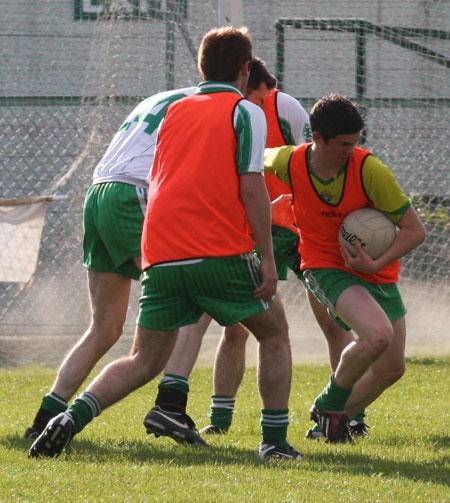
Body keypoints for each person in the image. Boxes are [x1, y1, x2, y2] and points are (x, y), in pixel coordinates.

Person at [29, 26, 302, 461]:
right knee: (274, 333)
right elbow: (251, 186)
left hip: (161, 251)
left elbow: (162, 180)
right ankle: (274, 442)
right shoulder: (244, 110)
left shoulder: (176, 109)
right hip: (217, 250)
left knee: (142, 358)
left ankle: (68, 417)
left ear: (200, 68)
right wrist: (267, 259)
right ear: (246, 68)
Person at [147, 66, 367, 442]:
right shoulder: (217, 110)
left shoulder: (286, 109)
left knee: (334, 321)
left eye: (261, 98)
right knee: (234, 327)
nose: (256, 104)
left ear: (268, 90)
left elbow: (318, 161)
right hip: (247, 228)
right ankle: (219, 417)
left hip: (298, 227)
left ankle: (348, 415)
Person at [24, 84, 197, 440]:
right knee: (177, 299)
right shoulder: (221, 105)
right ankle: (169, 406)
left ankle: (45, 419)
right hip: (132, 194)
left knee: (105, 328)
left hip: (100, 193)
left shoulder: (162, 96)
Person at [264, 93, 426, 443]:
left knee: (391, 368)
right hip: (325, 266)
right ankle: (329, 403)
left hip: (377, 272)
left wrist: (376, 262)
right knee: (377, 335)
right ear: (317, 138)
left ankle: (333, 421)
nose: (349, 151)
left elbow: (416, 231)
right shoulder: (288, 161)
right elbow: (244, 161)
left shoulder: (370, 170)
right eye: (342, 144)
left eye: (354, 143)